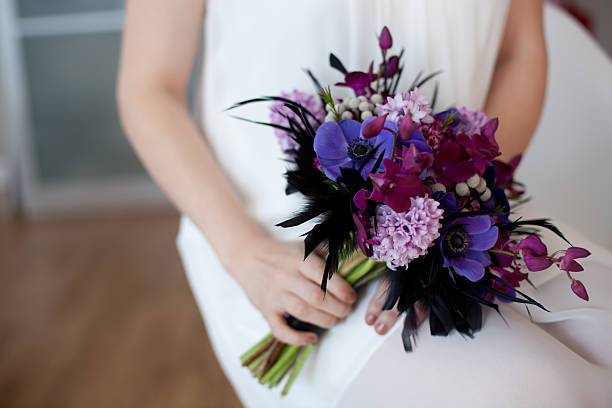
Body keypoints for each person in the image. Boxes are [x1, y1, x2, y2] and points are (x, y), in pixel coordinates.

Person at [117, 0, 612, 406]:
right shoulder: (262, 253)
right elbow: (149, 87)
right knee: (545, 394)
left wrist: (463, 189)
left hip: (446, 217)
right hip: (282, 252)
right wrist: (246, 254)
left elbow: (519, 48)